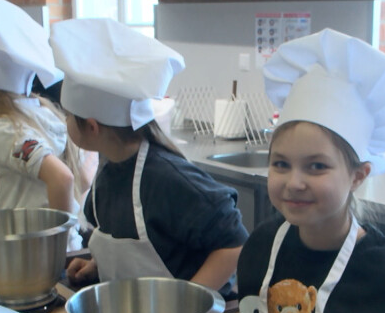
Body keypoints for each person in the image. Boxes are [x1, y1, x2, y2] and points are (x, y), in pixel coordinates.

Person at [207, 28, 385, 313]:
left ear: (358, 175)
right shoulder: (262, 245)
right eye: (281, 164)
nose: (294, 182)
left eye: (317, 166)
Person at [53, 18, 247, 296]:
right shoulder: (110, 170)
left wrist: (186, 305)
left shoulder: (166, 178)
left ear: (93, 127)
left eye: (69, 116)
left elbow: (234, 243)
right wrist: (98, 265)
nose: (66, 122)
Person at [0, 0, 86, 251]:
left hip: (36, 252)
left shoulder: (5, 130)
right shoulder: (41, 112)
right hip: (46, 249)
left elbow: (62, 178)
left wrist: (57, 242)